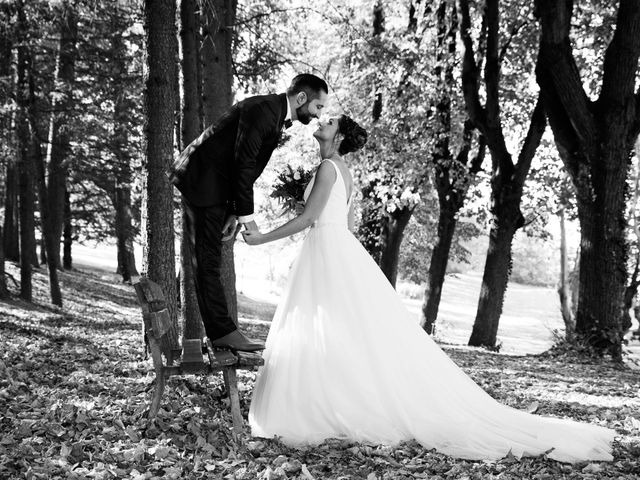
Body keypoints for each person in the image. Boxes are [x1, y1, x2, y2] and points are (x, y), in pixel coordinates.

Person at [241, 115, 615, 463]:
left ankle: (324, 406)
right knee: (340, 332)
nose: (320, 121)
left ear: (337, 136)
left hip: (326, 249)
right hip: (336, 250)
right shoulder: (345, 171)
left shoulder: (327, 167)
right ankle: (333, 400)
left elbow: (309, 218)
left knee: (326, 329)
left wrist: (260, 240)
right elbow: (346, 223)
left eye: (329, 120)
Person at [166, 74, 329, 352]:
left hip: (215, 186)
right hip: (204, 180)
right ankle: (222, 333)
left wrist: (232, 212)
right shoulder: (263, 111)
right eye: (318, 107)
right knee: (206, 259)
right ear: (301, 98)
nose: (318, 115)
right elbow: (242, 164)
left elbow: (243, 165)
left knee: (208, 258)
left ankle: (222, 331)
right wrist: (247, 218)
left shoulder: (273, 113)